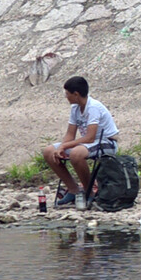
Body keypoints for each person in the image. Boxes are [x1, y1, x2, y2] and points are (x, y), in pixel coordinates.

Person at [42, 76, 119, 209]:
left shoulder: (93, 107)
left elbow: (90, 137)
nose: (66, 97)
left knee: (76, 154)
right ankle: (74, 190)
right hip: (89, 143)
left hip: (107, 141)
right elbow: (70, 134)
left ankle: (90, 191)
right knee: (49, 151)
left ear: (76, 94)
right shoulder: (75, 108)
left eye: (67, 94)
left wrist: (65, 146)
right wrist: (60, 147)